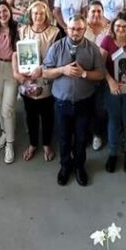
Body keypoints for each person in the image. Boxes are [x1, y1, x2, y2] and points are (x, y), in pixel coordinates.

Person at [42, 16, 105, 186]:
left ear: (85, 30)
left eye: (78, 29)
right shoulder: (56, 47)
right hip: (62, 103)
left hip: (84, 102)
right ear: (66, 29)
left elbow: (100, 74)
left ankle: (79, 166)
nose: (75, 32)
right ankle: (65, 166)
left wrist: (84, 73)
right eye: (71, 29)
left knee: (81, 137)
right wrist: (63, 70)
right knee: (63, 137)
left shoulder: (93, 49)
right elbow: (45, 72)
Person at [16, 2, 61, 162]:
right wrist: (17, 73)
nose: (38, 16)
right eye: (35, 13)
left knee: (47, 114)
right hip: (27, 79)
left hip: (47, 79)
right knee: (30, 114)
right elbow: (16, 54)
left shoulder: (55, 32)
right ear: (30, 15)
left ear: (46, 15)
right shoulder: (22, 31)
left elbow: (58, 58)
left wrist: (41, 69)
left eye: (41, 13)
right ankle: (33, 143)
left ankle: (47, 144)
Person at [99, 14, 126, 175]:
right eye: (118, 26)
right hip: (112, 87)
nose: (121, 29)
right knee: (114, 120)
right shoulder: (107, 41)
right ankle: (112, 153)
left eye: (124, 26)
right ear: (113, 27)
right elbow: (100, 64)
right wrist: (110, 81)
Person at [0, 2, 20, 164]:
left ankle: (10, 143)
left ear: (10, 11)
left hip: (11, 68)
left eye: (5, 11)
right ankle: (5, 131)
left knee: (8, 107)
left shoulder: (17, 29)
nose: (2, 15)